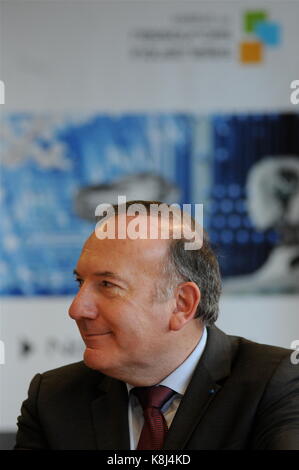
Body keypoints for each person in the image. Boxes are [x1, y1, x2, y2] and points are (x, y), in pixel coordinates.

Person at [15, 200, 299, 450]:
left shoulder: (277, 384)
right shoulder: (54, 398)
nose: (77, 309)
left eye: (107, 285)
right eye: (80, 282)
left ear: (182, 304)